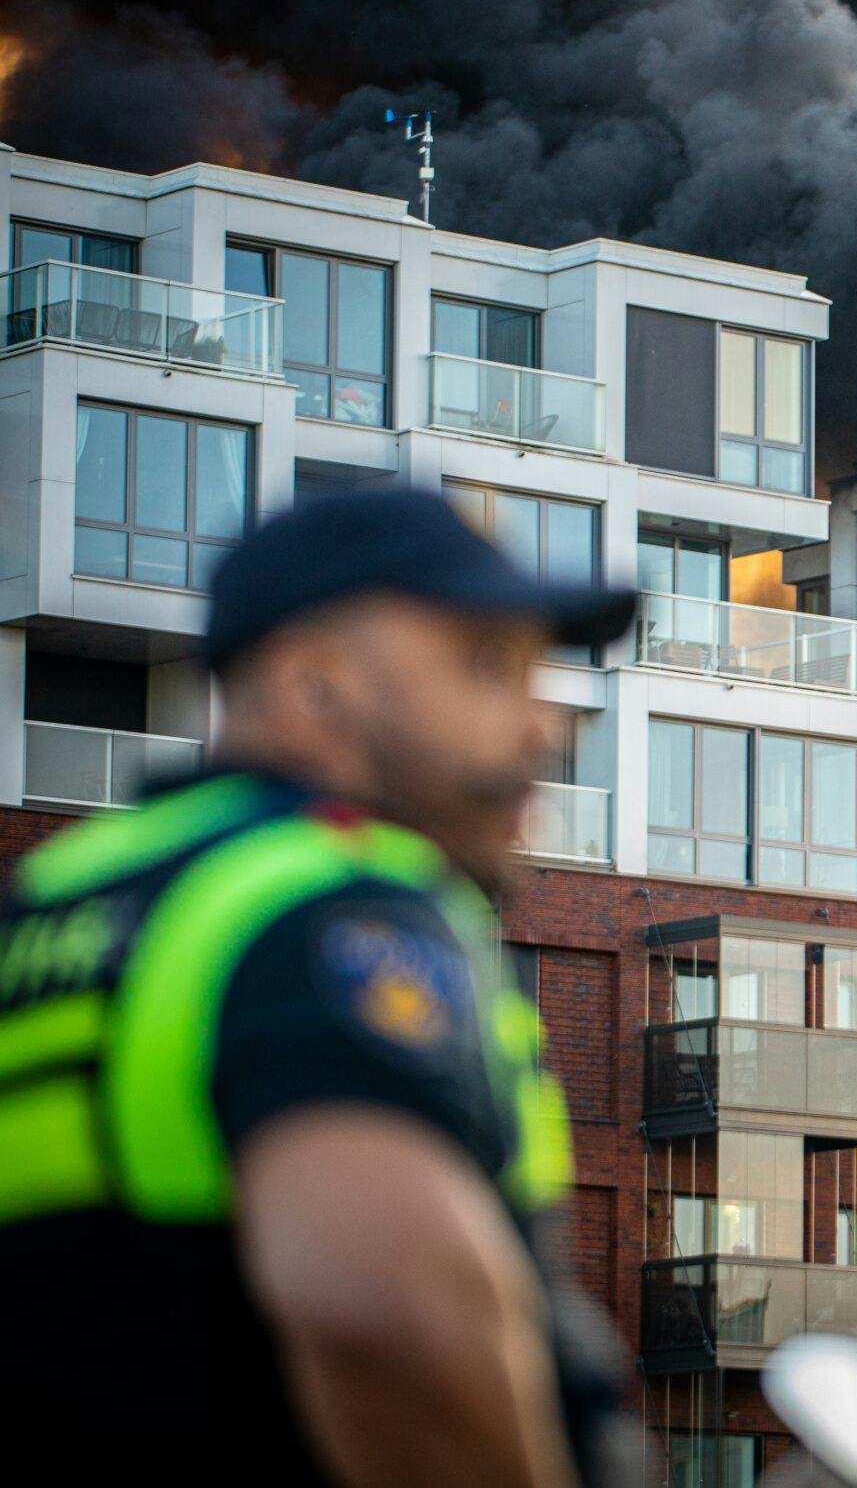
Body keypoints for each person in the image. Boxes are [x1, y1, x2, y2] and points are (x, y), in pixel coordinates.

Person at [0, 488, 638, 1486]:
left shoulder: (58, 896)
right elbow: (381, 1321)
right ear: (314, 685)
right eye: (487, 666)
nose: (544, 726)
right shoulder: (335, 907)